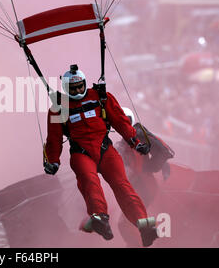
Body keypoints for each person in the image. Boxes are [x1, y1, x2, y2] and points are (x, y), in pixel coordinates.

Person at [44, 64, 158, 247]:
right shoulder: (58, 108)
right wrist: (53, 161)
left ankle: (144, 225)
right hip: (81, 153)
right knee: (89, 181)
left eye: (80, 86)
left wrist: (135, 142)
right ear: (65, 88)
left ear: (84, 83)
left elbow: (120, 120)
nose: (78, 90)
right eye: (73, 88)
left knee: (122, 184)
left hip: (105, 149)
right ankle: (100, 217)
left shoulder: (100, 97)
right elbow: (54, 138)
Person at [115, 107, 174, 246]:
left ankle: (155, 229)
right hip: (141, 186)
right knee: (128, 223)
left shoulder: (135, 137)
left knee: (125, 223)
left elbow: (161, 154)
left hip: (143, 186)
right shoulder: (130, 139)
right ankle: (154, 229)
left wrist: (149, 168)